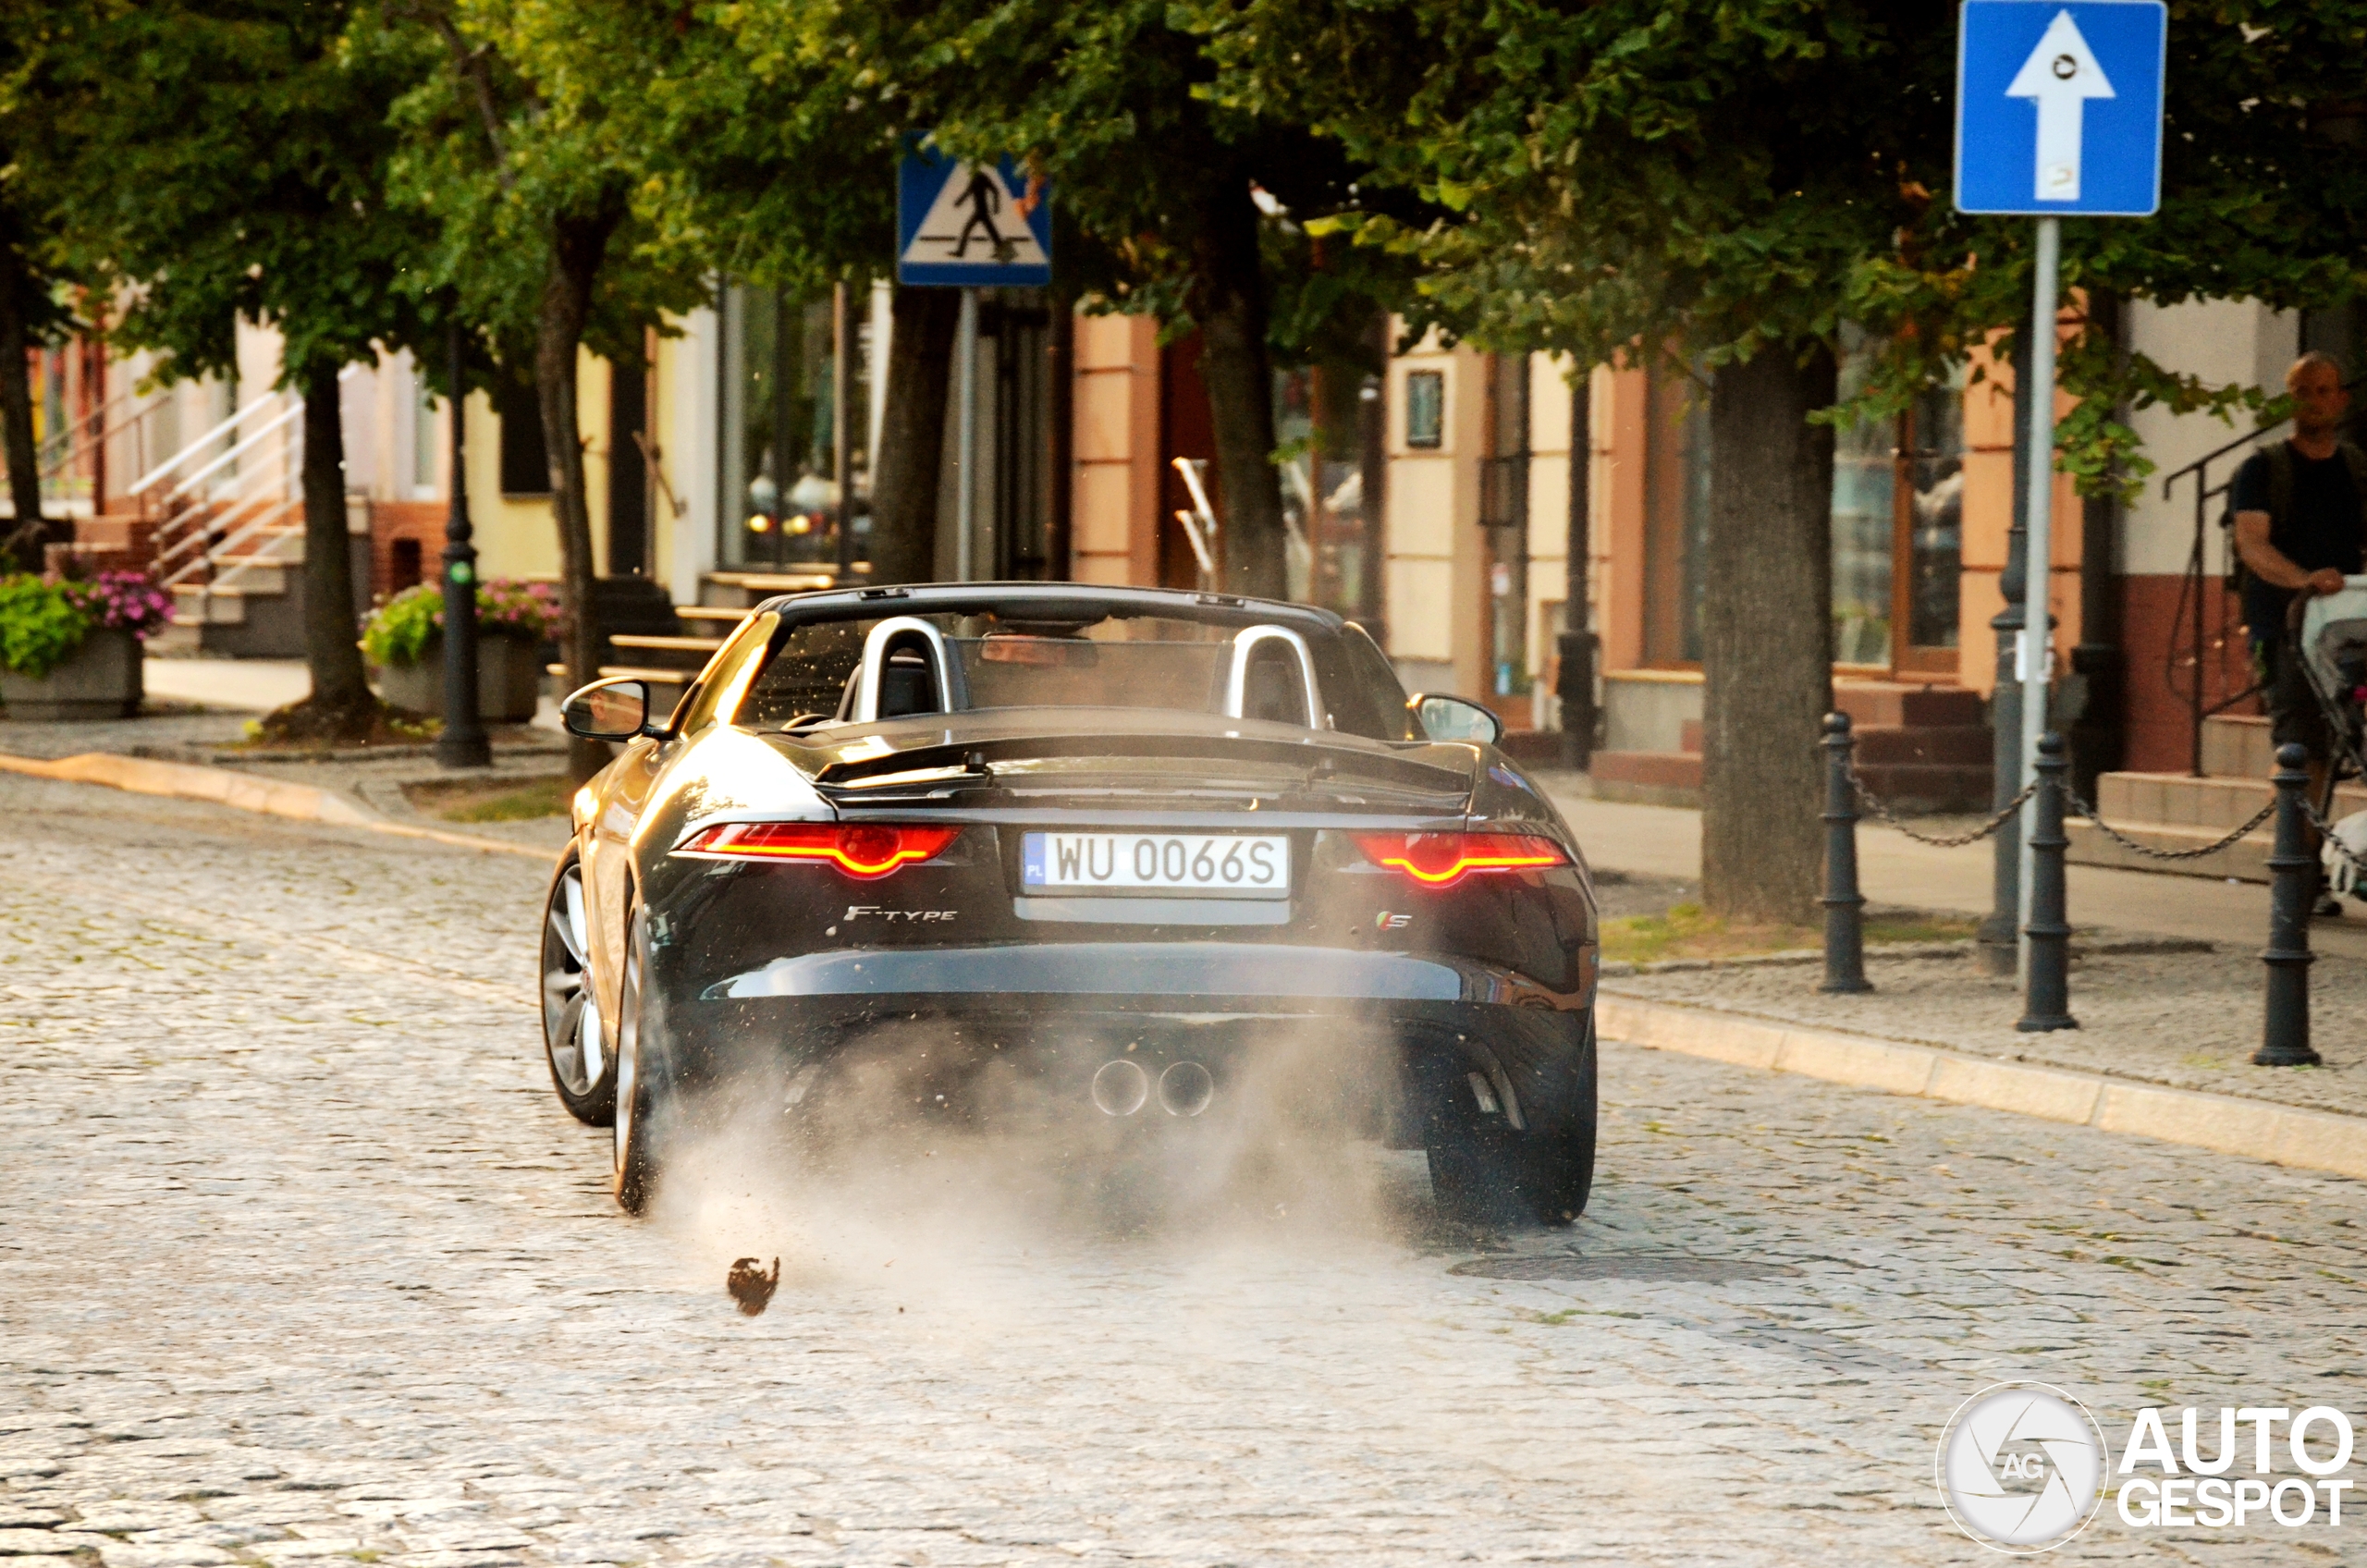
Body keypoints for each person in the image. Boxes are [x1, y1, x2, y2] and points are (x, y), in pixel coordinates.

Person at [2230, 350, 2367, 912]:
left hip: (2351, 622)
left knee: (2343, 744)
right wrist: (2304, 581)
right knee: (2301, 749)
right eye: (2301, 391)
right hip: (2286, 627)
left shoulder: (2357, 467)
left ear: (2342, 399)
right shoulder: (2262, 468)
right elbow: (2253, 545)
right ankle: (2295, 872)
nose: (2312, 401)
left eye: (2323, 390)